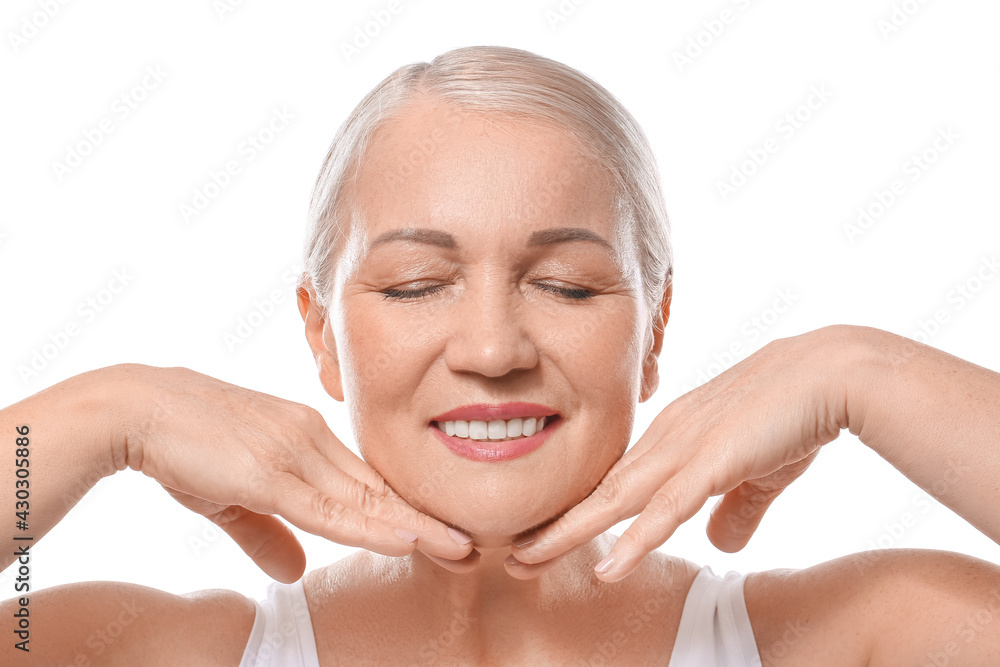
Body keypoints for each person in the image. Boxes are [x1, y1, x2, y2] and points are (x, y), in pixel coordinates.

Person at [3, 45, 1000, 666]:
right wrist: (101, 417)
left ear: (651, 334)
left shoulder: (844, 639)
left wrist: (859, 371)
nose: (490, 348)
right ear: (323, 337)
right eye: (412, 285)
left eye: (565, 286)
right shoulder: (153, 653)